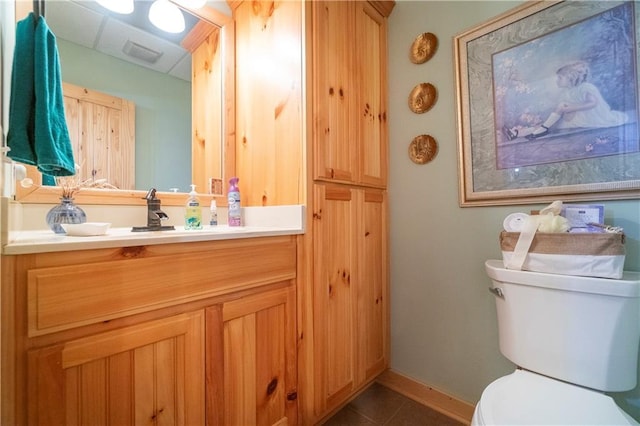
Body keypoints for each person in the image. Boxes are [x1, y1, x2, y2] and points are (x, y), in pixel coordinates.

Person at [503, 61, 629, 141]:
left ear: (570, 77)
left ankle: (542, 129)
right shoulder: (566, 92)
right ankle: (517, 133)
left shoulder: (585, 87)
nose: (557, 81)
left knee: (554, 118)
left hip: (590, 117)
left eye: (560, 78)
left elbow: (593, 103)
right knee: (548, 122)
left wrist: (571, 108)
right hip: (575, 118)